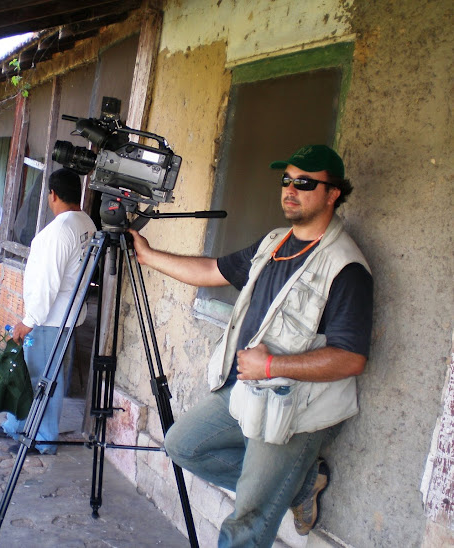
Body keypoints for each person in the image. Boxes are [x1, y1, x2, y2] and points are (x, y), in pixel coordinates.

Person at [129, 145, 373, 546]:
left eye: (305, 183)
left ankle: (276, 484)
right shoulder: (275, 242)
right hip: (245, 390)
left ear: (333, 193)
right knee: (183, 445)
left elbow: (351, 359)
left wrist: (273, 366)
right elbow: (213, 270)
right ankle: (298, 483)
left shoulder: (347, 268)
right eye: (287, 180)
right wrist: (149, 256)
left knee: (247, 522)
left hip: (293, 408)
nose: (290, 190)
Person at [0, 168, 97, 454]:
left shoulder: (60, 230)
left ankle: (43, 439)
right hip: (65, 316)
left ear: (52, 195)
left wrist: (29, 320)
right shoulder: (86, 223)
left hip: (49, 319)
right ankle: (17, 425)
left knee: (43, 379)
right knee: (31, 373)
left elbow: (48, 282)